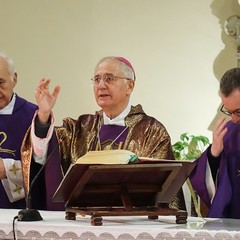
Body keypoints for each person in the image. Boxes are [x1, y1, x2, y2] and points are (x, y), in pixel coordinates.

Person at [21, 56, 186, 211]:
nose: (101, 85)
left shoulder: (151, 131)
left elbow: (166, 189)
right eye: (97, 79)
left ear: (130, 86)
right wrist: (43, 115)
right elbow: (45, 154)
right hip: (83, 223)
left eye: (109, 78)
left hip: (133, 224)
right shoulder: (79, 128)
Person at [190, 67, 240, 218]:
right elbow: (204, 182)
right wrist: (214, 155)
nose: (234, 119)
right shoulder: (230, 133)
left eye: (238, 111)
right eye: (228, 111)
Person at [0, 52, 38, 209]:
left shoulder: (34, 116)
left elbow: (44, 171)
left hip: (18, 213)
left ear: (14, 79)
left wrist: (8, 169)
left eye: (0, 83)